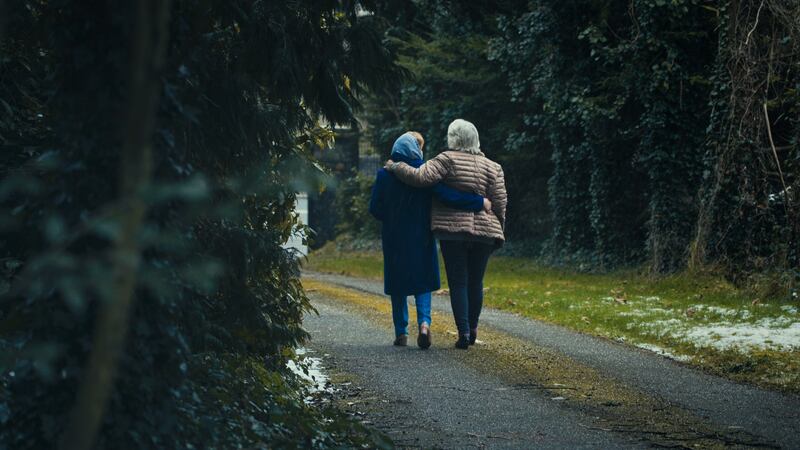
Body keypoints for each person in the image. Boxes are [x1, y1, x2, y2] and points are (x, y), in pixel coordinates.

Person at [385, 119, 507, 349]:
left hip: (454, 232)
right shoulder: (494, 167)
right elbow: (500, 202)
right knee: (476, 282)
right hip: (486, 232)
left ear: (453, 138)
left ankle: (462, 334)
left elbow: (420, 177)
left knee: (458, 282)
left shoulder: (445, 159)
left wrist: (394, 167)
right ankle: (473, 330)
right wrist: (500, 229)